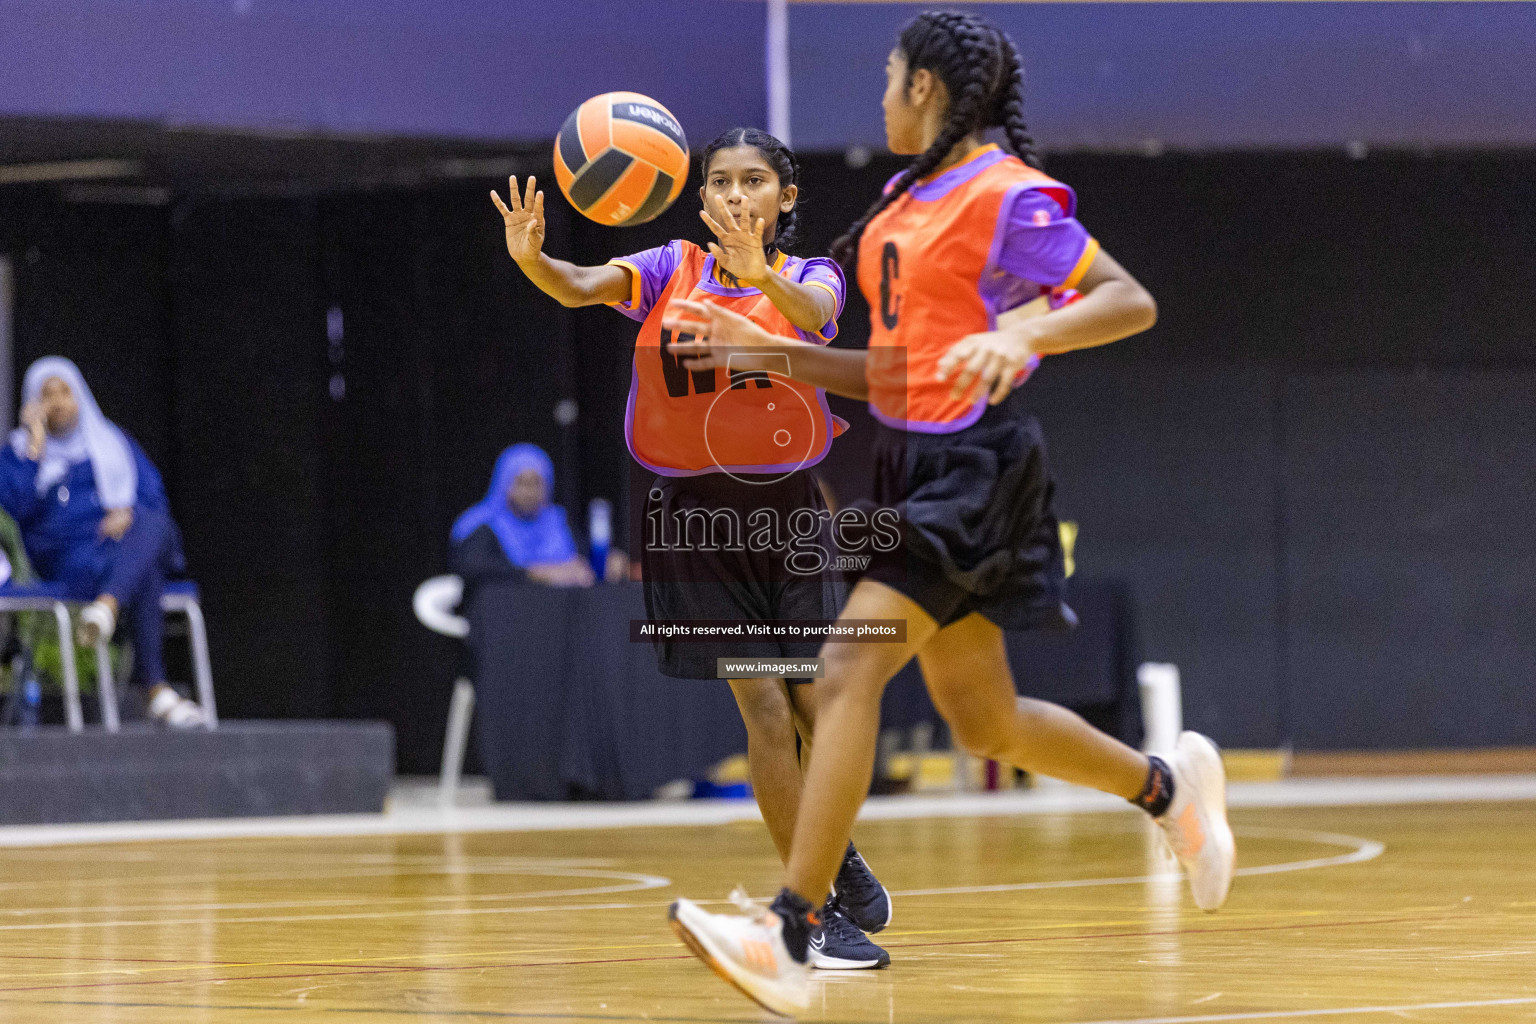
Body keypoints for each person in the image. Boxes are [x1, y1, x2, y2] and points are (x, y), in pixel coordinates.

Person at [661, 11, 1236, 1016]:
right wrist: (771, 354)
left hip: (980, 467)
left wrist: (1027, 336)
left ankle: (792, 931)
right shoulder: (902, 206)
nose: (880, 94)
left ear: (925, 86)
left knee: (843, 668)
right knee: (986, 715)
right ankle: (1167, 791)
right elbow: (894, 373)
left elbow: (1126, 298)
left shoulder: (1005, 194)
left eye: (888, 77)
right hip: (913, 462)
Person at [490, 128, 893, 969]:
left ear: (785, 197)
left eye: (754, 181)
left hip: (786, 516)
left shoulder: (812, 275)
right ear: (701, 199)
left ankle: (835, 851)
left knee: (820, 704)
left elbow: (815, 317)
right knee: (765, 707)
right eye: (720, 182)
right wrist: (534, 260)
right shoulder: (670, 266)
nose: (736, 195)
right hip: (689, 521)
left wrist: (764, 275)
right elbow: (576, 286)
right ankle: (811, 913)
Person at [0, 356, 204, 727]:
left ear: (81, 396)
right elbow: (15, 510)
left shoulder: (112, 442)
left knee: (152, 522)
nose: (59, 401)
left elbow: (153, 497)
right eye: (48, 394)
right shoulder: (17, 453)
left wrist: (127, 510)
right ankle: (154, 688)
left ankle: (107, 607)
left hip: (118, 552)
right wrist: (35, 447)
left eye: (66, 392)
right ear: (32, 401)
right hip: (68, 560)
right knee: (147, 567)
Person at [450, 443, 622, 589]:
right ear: (504, 484)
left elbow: (583, 559)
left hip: (561, 617)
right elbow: (471, 568)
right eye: (522, 483)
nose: (529, 492)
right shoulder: (484, 525)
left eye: (536, 483)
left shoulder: (557, 521)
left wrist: (605, 562)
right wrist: (535, 573)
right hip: (504, 618)